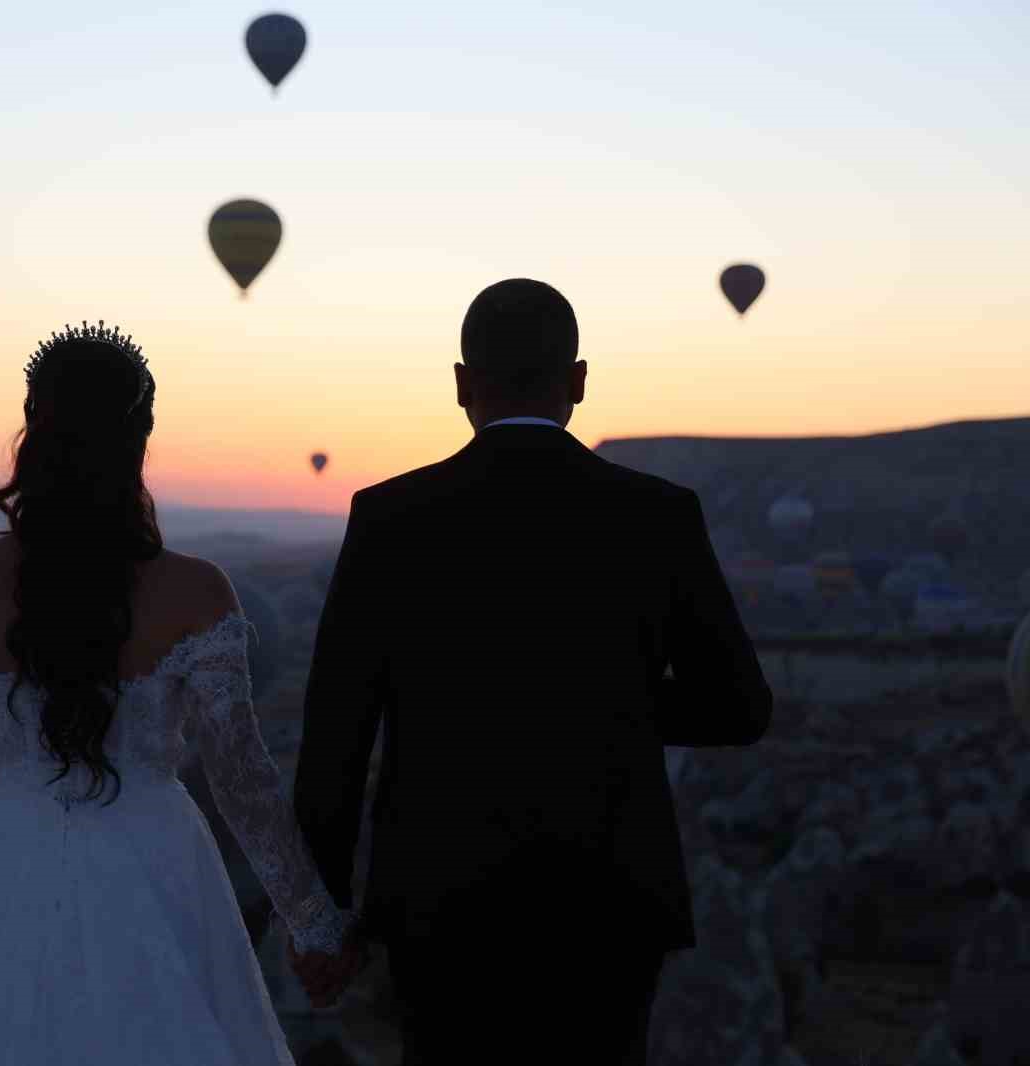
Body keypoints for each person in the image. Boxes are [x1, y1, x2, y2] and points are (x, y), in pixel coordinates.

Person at [290, 280, 774, 1064]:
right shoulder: (659, 513)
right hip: (609, 900)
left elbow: (336, 739)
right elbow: (742, 708)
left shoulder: (389, 518)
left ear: (460, 383)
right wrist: (617, 700)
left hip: (440, 899)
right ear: (578, 382)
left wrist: (318, 914)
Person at [0, 322, 366, 1066]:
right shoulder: (197, 592)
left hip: (0, 858)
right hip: (157, 856)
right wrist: (311, 920)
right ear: (142, 437)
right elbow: (243, 781)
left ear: (34, 429)